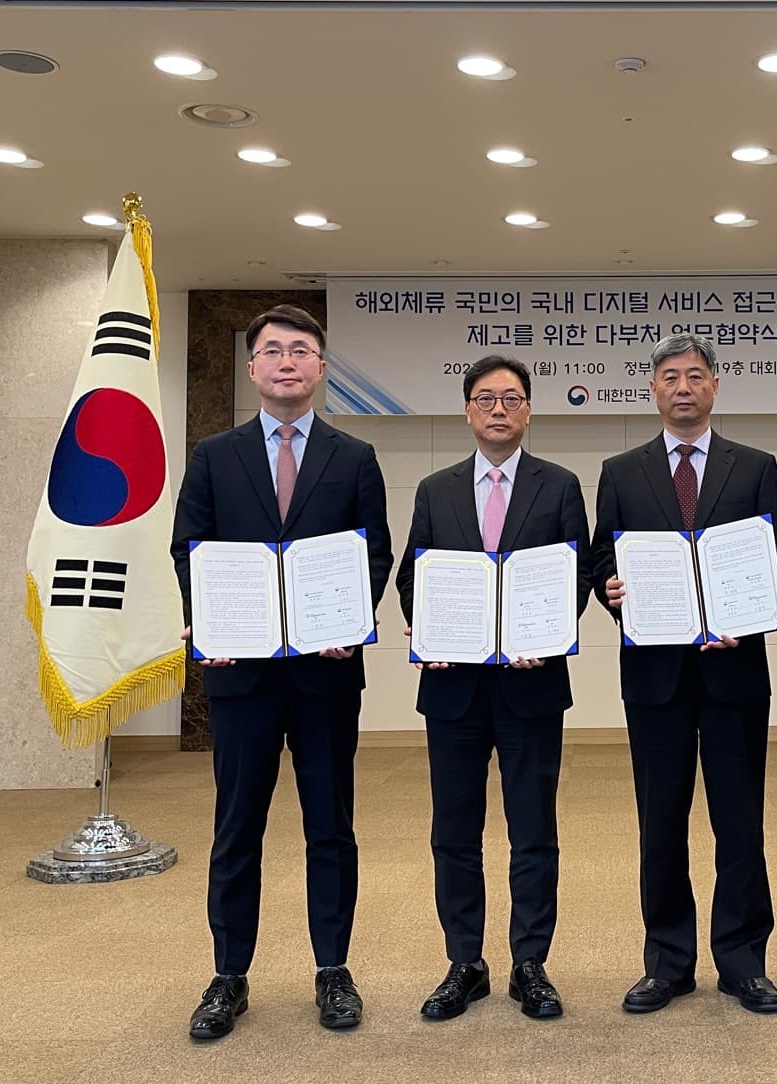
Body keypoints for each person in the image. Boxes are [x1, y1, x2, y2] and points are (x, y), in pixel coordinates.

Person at [171, 304, 393, 1040]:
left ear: (321, 367)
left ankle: (333, 970)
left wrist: (349, 620)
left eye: (301, 350)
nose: (287, 361)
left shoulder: (354, 456)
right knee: (237, 828)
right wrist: (206, 620)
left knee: (331, 827)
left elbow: (374, 553)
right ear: (252, 367)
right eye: (273, 350)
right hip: (241, 675)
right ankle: (228, 976)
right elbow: (190, 548)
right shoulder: (214, 454)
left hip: (326, 675)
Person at [590, 333, 777, 1015]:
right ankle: (667, 964)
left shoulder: (755, 467)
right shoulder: (621, 472)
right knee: (660, 827)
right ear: (653, 389)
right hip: (655, 676)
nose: (683, 387)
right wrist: (610, 590)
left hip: (735, 672)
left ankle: (743, 962)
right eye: (671, 376)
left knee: (740, 825)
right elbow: (602, 559)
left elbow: (775, 558)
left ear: (715, 386)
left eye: (696, 375)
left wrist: (752, 608)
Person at [396, 355, 591, 1022]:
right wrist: (427, 626)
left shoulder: (559, 486)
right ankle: (465, 963)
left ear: (528, 410)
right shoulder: (436, 489)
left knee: (533, 831)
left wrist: (550, 631)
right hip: (453, 688)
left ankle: (530, 963)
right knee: (454, 832)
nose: (498, 409)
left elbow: (575, 575)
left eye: (511, 398)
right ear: (467, 411)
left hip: (531, 685)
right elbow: (412, 575)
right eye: (485, 398)